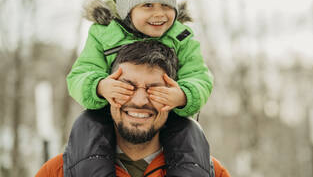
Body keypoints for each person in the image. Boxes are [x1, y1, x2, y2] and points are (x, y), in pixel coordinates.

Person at [66, 0, 213, 176]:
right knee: (88, 127)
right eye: (148, 5)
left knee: (189, 133)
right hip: (111, 113)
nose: (160, 14)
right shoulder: (104, 34)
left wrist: (183, 95)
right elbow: (80, 74)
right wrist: (100, 87)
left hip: (166, 112)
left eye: (166, 6)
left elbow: (200, 76)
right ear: (127, 9)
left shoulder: (181, 37)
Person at [36, 41, 230, 177]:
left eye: (155, 89)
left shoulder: (212, 173)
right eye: (126, 87)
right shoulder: (58, 172)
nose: (139, 100)